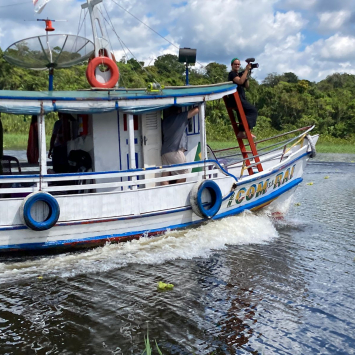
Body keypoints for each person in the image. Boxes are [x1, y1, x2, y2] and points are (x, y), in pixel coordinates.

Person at [161, 106, 199, 185]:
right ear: (178, 111)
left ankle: (165, 193)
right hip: (175, 151)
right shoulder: (178, 118)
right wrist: (202, 103)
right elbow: (195, 110)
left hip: (164, 152)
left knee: (165, 175)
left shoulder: (165, 121)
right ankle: (178, 191)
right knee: (184, 172)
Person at [228, 57, 257, 139]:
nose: (237, 65)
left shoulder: (240, 74)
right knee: (253, 111)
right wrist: (246, 71)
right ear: (232, 65)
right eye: (235, 64)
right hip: (236, 99)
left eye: (238, 64)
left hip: (241, 98)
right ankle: (248, 130)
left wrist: (246, 75)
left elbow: (247, 86)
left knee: (242, 115)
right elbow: (240, 81)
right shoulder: (232, 74)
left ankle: (241, 132)